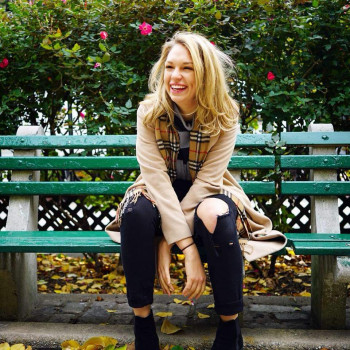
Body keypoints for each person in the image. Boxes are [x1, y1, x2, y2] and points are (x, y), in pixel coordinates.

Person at [106, 31, 285, 350]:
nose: (175, 76)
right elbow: (157, 181)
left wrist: (167, 240)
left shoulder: (225, 115)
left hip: (208, 191)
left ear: (204, 73)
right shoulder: (149, 112)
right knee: (135, 213)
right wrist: (186, 248)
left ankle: (230, 328)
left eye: (186, 68)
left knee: (214, 213)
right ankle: (143, 324)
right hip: (157, 190)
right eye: (170, 67)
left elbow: (206, 183)